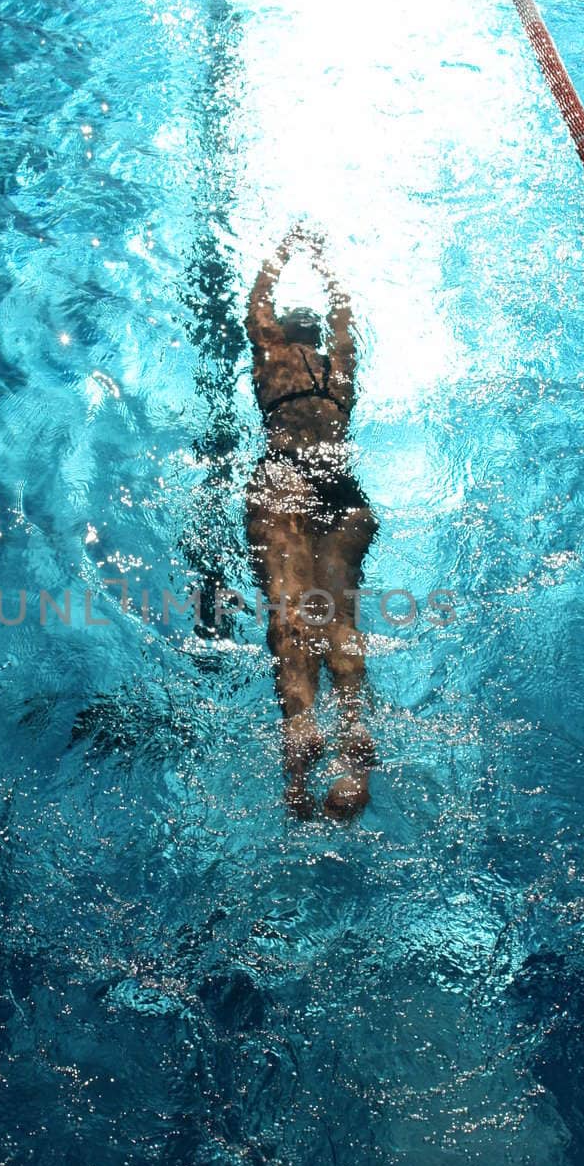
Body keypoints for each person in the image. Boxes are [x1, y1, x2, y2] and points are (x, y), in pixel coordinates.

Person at [245, 226, 378, 818]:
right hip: (343, 488)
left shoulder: (272, 355)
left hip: (286, 478)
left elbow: (256, 305)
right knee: (337, 611)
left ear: (286, 333)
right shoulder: (339, 370)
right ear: (320, 336)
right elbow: (345, 312)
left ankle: (300, 749)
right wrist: (324, 260)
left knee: (289, 615)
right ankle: (354, 738)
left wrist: (283, 250)